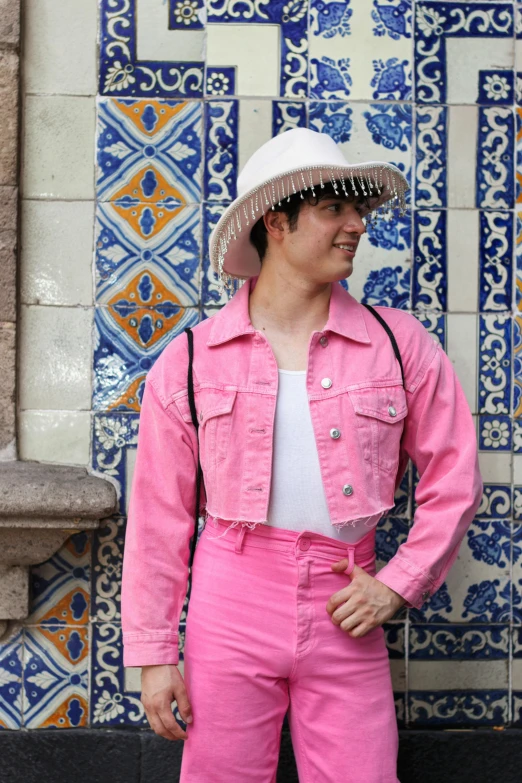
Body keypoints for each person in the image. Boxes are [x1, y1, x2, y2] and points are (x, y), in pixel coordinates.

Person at [121, 128, 483, 782]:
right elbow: (158, 517)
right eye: (335, 209)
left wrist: (398, 583)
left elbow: (456, 479)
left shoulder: (399, 346)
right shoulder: (193, 357)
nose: (356, 226)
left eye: (359, 211)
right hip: (229, 604)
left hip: (349, 604)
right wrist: (153, 655)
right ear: (277, 222)